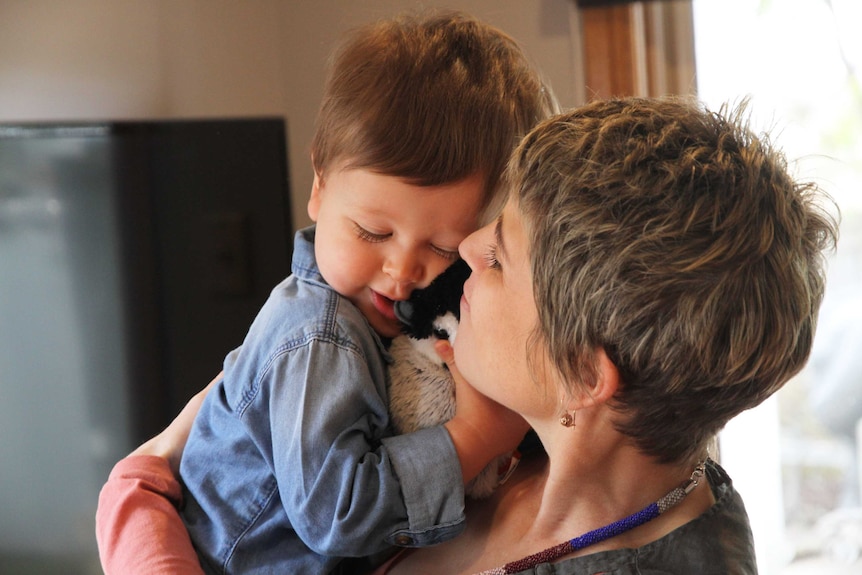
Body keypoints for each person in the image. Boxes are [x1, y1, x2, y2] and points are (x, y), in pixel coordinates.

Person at [97, 96, 839, 574]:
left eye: (500, 256)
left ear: (583, 372)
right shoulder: (492, 416)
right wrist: (136, 495)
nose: (469, 247)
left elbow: (141, 481)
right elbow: (164, 459)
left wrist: (135, 507)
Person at [95, 9, 557, 575]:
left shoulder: (386, 322)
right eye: (373, 232)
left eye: (443, 246)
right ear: (318, 186)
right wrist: (476, 435)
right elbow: (336, 514)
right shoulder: (319, 334)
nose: (402, 270)